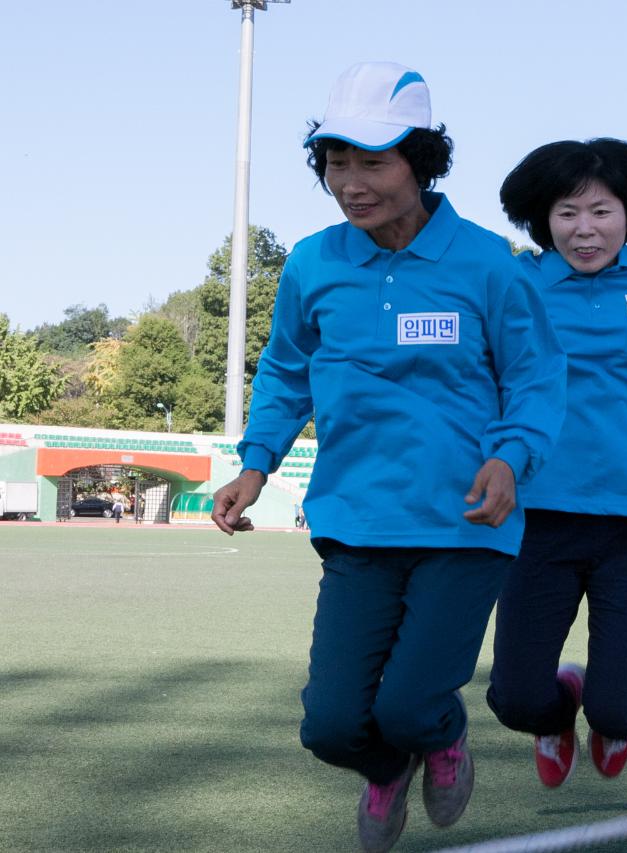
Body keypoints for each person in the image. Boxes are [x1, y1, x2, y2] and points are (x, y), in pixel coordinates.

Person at [209, 62, 566, 853]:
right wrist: (256, 462)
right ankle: (388, 770)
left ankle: (439, 739)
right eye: (337, 162)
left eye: (373, 162)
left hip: (465, 526)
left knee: (409, 705)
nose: (351, 182)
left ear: (421, 161)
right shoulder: (312, 264)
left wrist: (511, 457)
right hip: (358, 523)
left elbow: (538, 379)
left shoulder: (487, 265)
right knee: (331, 724)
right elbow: (285, 372)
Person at [485, 139, 627, 789]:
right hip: (542, 511)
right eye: (567, 213)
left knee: (621, 709)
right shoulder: (523, 282)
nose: (585, 229)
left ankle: (605, 715)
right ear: (543, 218)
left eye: (601, 211)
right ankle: (558, 710)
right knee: (512, 699)